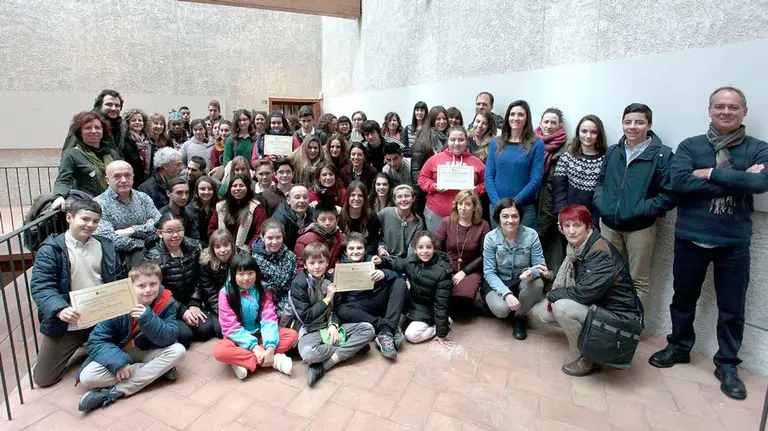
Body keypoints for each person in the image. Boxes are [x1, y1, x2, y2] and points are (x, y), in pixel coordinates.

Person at [649, 87, 768, 400]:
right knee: (683, 298)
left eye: (732, 107)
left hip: (733, 243)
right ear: (710, 110)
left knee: (732, 308)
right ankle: (678, 347)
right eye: (719, 106)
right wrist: (737, 179)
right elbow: (680, 183)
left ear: (744, 111)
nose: (725, 111)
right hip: (691, 237)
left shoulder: (758, 148)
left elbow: (759, 183)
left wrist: (710, 172)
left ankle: (727, 364)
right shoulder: (691, 146)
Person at [532, 205, 642, 376]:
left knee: (562, 308)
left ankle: (587, 358)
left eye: (577, 225)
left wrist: (553, 295)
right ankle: (586, 336)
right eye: (566, 226)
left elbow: (584, 293)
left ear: (589, 226)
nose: (571, 231)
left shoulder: (600, 253)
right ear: (561, 229)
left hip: (619, 318)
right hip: (599, 305)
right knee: (541, 312)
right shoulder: (577, 250)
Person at [593, 103, 675, 309]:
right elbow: (601, 182)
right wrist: (602, 204)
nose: (632, 127)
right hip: (609, 225)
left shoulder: (662, 155)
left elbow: (670, 194)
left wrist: (641, 209)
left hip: (640, 228)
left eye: (639, 122)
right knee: (608, 274)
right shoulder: (613, 151)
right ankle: (609, 322)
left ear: (649, 125)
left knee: (638, 279)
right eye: (627, 122)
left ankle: (632, 328)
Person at [30, 200, 120, 387]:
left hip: (102, 317)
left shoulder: (105, 245)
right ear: (69, 218)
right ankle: (86, 348)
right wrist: (59, 309)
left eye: (95, 221)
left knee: (127, 355)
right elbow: (41, 286)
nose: (90, 225)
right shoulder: (50, 250)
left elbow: (117, 277)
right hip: (69, 321)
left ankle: (92, 350)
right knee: (43, 379)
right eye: (85, 219)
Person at [76, 261, 185, 413]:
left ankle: (115, 392)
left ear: (160, 283)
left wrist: (147, 318)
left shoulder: (166, 301)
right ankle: (157, 372)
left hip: (147, 350)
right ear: (131, 286)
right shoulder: (118, 302)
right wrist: (119, 363)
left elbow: (169, 337)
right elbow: (96, 341)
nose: (148, 290)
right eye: (141, 286)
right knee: (88, 377)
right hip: (120, 351)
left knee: (179, 350)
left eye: (153, 284)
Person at [289, 242, 376, 387]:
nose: (317, 266)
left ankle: (326, 365)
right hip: (311, 329)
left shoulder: (331, 279)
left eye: (321, 262)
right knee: (309, 354)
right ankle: (353, 348)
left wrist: (333, 325)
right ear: (305, 265)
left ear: (327, 263)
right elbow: (306, 317)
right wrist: (327, 299)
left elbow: (337, 308)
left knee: (368, 329)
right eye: (312, 263)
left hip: (330, 327)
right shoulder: (298, 284)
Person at [213, 254, 298, 379]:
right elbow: (229, 326)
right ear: (233, 275)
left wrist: (270, 347)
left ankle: (243, 362)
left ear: (256, 273)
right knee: (219, 351)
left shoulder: (263, 288)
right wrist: (254, 346)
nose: (246, 278)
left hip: (261, 333)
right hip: (237, 338)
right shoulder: (226, 293)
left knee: (292, 335)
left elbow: (268, 318)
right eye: (241, 274)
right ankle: (274, 361)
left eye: (250, 273)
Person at [145, 212, 218, 347]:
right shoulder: (153, 257)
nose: (175, 235)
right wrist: (182, 310)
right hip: (168, 305)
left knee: (206, 330)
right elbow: (158, 291)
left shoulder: (193, 248)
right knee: (185, 337)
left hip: (190, 300)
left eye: (179, 230)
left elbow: (199, 278)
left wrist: (194, 303)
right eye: (169, 231)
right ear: (160, 233)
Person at [482, 198, 548, 340]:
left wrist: (532, 272)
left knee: (538, 283)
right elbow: (489, 272)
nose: (510, 221)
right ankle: (507, 304)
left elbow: (541, 266)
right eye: (505, 216)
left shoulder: (531, 235)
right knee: (501, 310)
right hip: (497, 281)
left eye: (515, 216)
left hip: (520, 280)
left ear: (520, 217)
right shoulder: (490, 238)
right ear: (498, 218)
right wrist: (506, 294)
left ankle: (519, 317)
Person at [336, 233, 407, 359]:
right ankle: (387, 329)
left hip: (377, 297)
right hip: (358, 304)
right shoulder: (340, 266)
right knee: (341, 309)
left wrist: (383, 273)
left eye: (359, 248)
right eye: (351, 249)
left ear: (364, 250)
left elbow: (396, 276)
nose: (355, 252)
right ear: (346, 252)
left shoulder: (372, 260)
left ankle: (387, 331)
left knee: (400, 283)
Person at [381, 231, 453, 346]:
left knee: (411, 336)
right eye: (420, 247)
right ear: (415, 249)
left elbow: (441, 304)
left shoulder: (442, 272)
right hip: (412, 303)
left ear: (434, 248)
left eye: (429, 247)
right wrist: (382, 260)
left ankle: (440, 325)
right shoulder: (412, 260)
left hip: (429, 310)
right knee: (393, 324)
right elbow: (397, 263)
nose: (424, 251)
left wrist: (441, 333)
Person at [485, 100, 545, 229]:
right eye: (512, 114)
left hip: (524, 209)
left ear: (527, 118)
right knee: (499, 247)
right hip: (497, 208)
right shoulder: (496, 143)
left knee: (522, 248)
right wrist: (498, 205)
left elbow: (535, 180)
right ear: (507, 117)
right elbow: (489, 177)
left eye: (520, 114)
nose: (515, 118)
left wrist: (513, 205)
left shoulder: (536, 145)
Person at [94, 161, 161, 269]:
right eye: (117, 176)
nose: (124, 180)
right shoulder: (99, 204)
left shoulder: (143, 198)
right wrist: (144, 241)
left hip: (151, 258)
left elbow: (159, 225)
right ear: (107, 180)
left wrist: (132, 230)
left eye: (127, 175)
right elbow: (108, 240)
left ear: (133, 177)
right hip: (116, 263)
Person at [418, 126, 486, 232]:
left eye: (461, 140)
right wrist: (434, 186)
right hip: (436, 214)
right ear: (448, 141)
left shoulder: (476, 162)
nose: (457, 143)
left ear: (466, 141)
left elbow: (487, 182)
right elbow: (422, 178)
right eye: (453, 139)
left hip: (466, 216)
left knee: (461, 246)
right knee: (436, 246)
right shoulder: (435, 159)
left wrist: (475, 190)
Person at [51, 111, 121, 211]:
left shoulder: (112, 153)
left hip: (115, 204)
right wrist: (59, 196)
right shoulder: (72, 154)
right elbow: (63, 179)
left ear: (102, 131)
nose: (94, 131)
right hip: (89, 206)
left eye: (97, 127)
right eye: (88, 128)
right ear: (80, 132)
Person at [435, 190, 491, 308]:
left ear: (475, 207)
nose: (463, 208)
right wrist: (446, 271)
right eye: (460, 204)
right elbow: (437, 250)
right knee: (443, 297)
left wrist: (464, 272)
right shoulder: (446, 221)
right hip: (447, 267)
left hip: (470, 270)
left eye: (467, 204)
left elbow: (484, 255)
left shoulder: (483, 225)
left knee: (463, 303)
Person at [552, 115, 608, 227]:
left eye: (593, 132)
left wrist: (596, 220)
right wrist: (563, 215)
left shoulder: (606, 160)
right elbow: (558, 190)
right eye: (584, 131)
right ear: (578, 133)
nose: (588, 136)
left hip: (594, 220)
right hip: (569, 218)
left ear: (599, 135)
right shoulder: (567, 157)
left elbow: (605, 193)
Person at [535, 108, 569, 267]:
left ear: (560, 125)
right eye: (546, 122)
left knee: (552, 246)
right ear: (540, 123)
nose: (548, 126)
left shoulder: (566, 148)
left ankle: (552, 281)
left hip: (553, 204)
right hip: (532, 201)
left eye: (553, 122)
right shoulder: (531, 143)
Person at [252, 219, 298, 327]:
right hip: (262, 299)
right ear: (262, 237)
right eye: (270, 238)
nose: (274, 242)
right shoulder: (254, 259)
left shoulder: (290, 256)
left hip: (285, 298)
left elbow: (293, 283)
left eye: (278, 237)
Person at [208, 174, 267, 253]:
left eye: (241, 185)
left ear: (248, 188)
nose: (238, 188)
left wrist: (246, 250)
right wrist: (219, 247)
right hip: (222, 251)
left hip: (247, 253)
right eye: (234, 186)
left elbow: (259, 233)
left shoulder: (256, 208)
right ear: (230, 189)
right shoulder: (221, 206)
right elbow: (212, 229)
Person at [62, 89, 125, 155]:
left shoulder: (120, 125)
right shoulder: (84, 121)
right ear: (99, 106)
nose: (113, 108)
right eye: (109, 104)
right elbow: (68, 151)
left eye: (117, 105)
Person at [411, 106, 448, 216]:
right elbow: (416, 173)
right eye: (438, 119)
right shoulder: (422, 142)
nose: (442, 122)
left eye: (444, 118)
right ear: (431, 120)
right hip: (428, 194)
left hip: (446, 193)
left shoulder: (450, 139)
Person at [199, 229, 235, 328]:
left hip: (237, 302)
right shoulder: (206, 264)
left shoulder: (240, 258)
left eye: (226, 245)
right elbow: (210, 292)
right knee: (220, 329)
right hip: (218, 304)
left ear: (232, 245)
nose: (222, 250)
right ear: (212, 249)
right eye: (217, 247)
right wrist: (223, 312)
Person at [377, 184, 425, 258]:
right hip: (384, 257)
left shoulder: (418, 221)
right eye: (399, 197)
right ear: (394, 200)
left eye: (407, 196)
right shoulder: (385, 213)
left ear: (413, 198)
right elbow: (373, 236)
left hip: (404, 261)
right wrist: (380, 247)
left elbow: (413, 247)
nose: (403, 200)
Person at [294, 203, 345, 273]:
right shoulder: (304, 240)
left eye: (331, 219)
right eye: (323, 220)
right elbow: (300, 266)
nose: (327, 223)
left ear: (337, 220)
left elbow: (342, 259)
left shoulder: (341, 238)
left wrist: (336, 270)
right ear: (315, 221)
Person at [340, 181, 382, 256]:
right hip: (346, 255)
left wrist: (363, 255)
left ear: (365, 198)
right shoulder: (340, 215)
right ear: (348, 197)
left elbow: (374, 240)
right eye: (353, 195)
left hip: (366, 254)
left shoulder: (371, 216)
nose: (356, 198)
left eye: (360, 195)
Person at [272, 185, 316, 250]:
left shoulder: (313, 214)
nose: (302, 200)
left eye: (305, 197)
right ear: (289, 200)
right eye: (297, 197)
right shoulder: (280, 218)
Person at [122, 108, 153, 186]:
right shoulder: (124, 140)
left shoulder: (149, 140)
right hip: (132, 180)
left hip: (147, 179)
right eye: (133, 120)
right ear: (127, 123)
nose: (137, 122)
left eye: (140, 120)